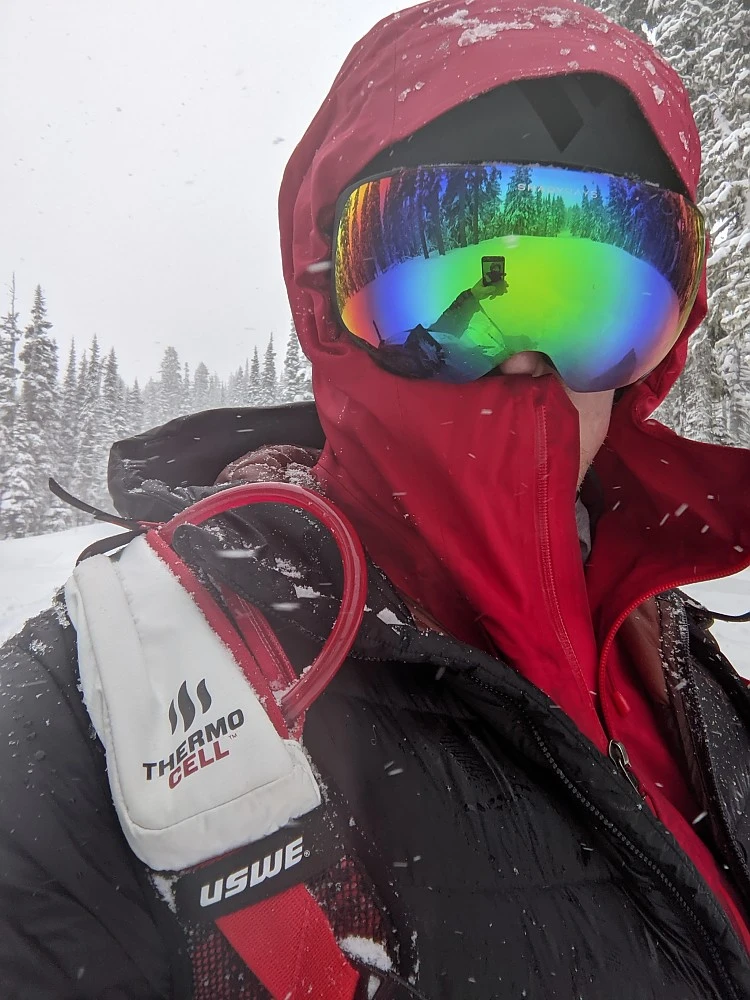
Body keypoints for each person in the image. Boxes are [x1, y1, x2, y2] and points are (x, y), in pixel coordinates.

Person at [2, 0, 750, 997]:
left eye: (593, 301)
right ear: (324, 300)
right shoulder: (97, 712)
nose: (523, 363)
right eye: (446, 293)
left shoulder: (665, 636)